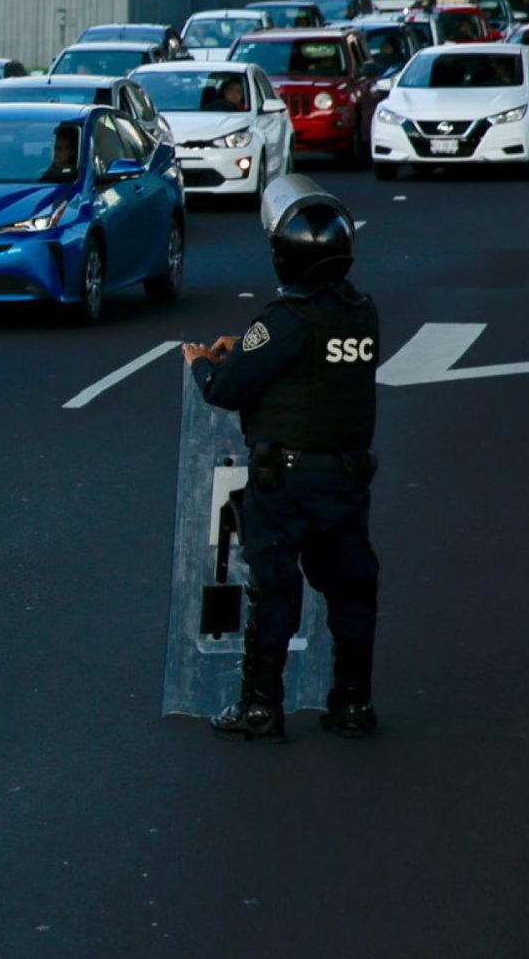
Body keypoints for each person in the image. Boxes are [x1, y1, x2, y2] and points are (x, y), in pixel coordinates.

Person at [183, 194, 381, 742]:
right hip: (345, 479)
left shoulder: (286, 320)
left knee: (274, 588)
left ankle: (260, 706)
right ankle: (352, 703)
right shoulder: (361, 312)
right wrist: (246, 347)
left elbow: (227, 387)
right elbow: (311, 370)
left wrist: (203, 364)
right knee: (351, 589)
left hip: (286, 481)